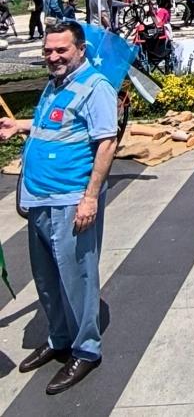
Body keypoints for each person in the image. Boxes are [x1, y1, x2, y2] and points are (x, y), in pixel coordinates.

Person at [0, 21, 118, 394]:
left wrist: (90, 198)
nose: (53, 56)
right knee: (47, 278)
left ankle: (86, 349)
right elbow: (56, 125)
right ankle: (60, 337)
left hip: (71, 199)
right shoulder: (55, 84)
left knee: (77, 277)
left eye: (61, 50)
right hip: (39, 198)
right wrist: (20, 126)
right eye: (48, 51)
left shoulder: (96, 87)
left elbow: (107, 142)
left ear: (80, 49)